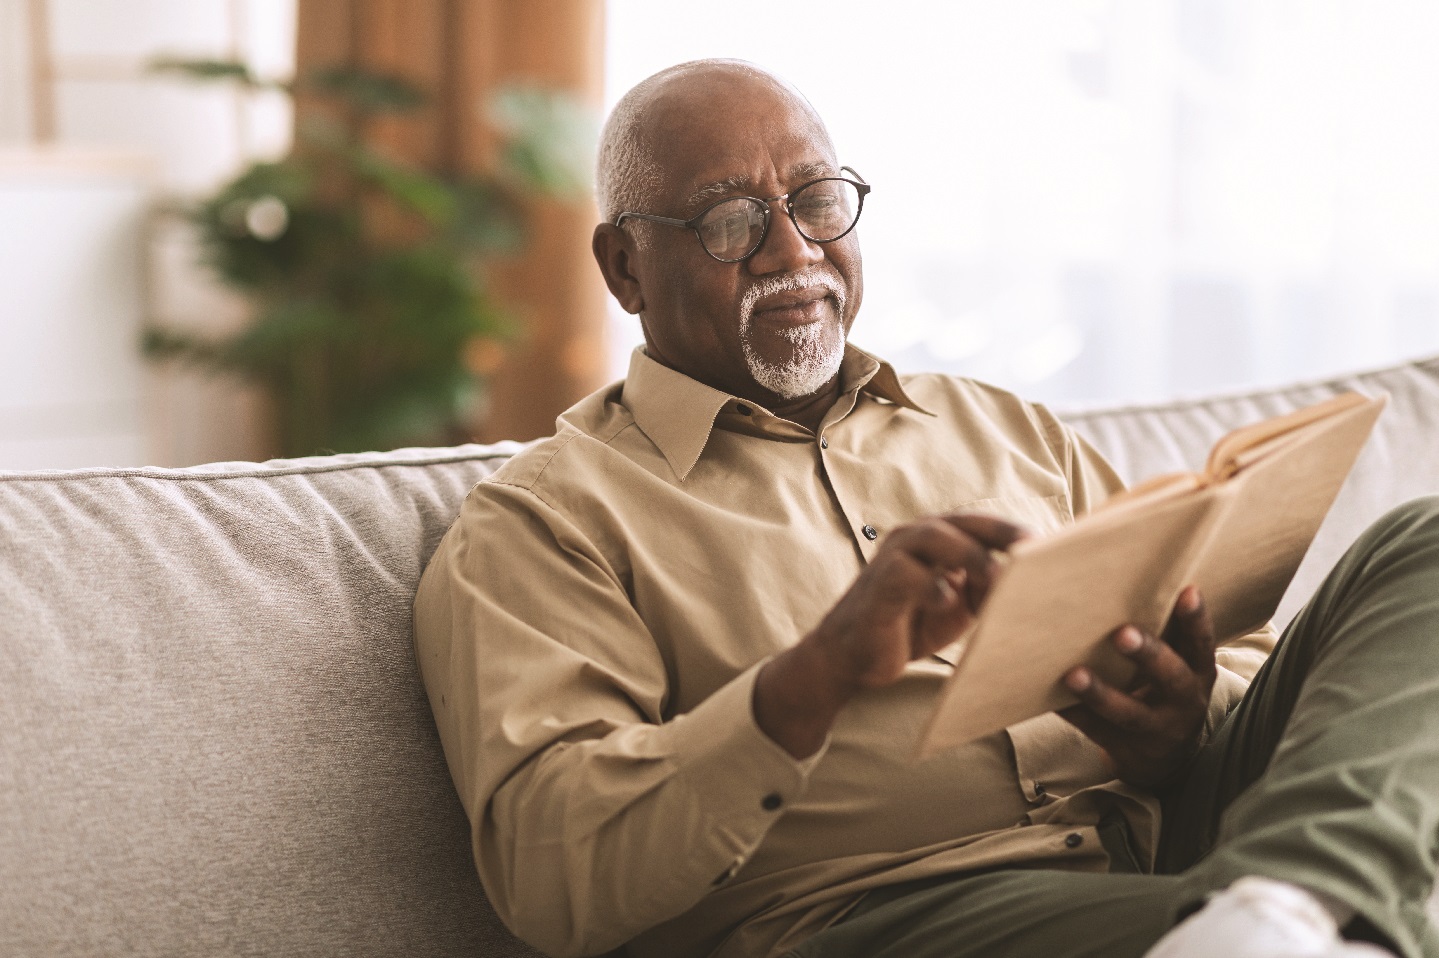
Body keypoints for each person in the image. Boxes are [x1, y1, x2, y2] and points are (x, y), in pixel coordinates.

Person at [413, 59, 1439, 958]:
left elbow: (1236, 650)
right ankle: (1311, 911)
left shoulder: (996, 426)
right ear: (624, 267)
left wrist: (1180, 722)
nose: (790, 250)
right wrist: (810, 678)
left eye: (815, 199)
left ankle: (1291, 907)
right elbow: (551, 876)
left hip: (1179, 846)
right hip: (879, 914)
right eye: (729, 220)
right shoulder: (546, 520)